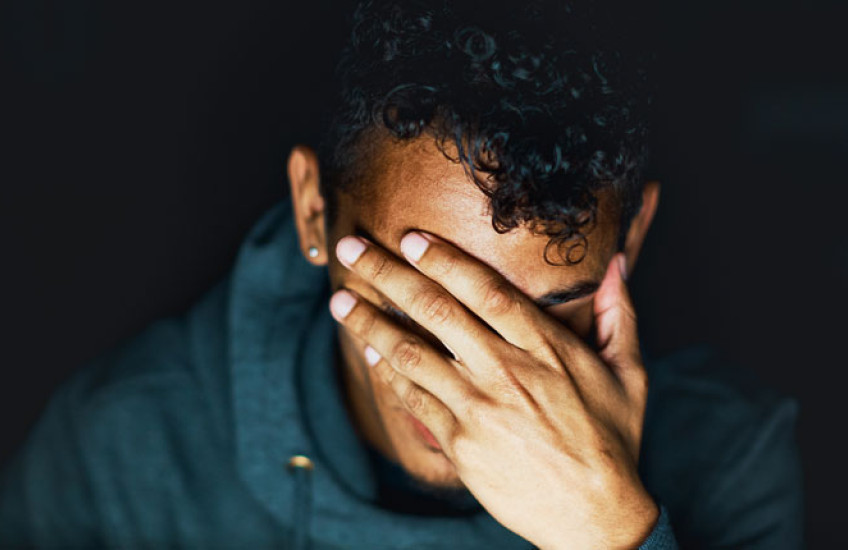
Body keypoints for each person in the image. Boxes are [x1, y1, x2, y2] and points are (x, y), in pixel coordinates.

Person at [0, 0, 803, 548]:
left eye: (548, 313)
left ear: (638, 231)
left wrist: (611, 531)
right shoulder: (121, 446)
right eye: (428, 297)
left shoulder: (733, 457)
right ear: (314, 213)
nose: (481, 376)